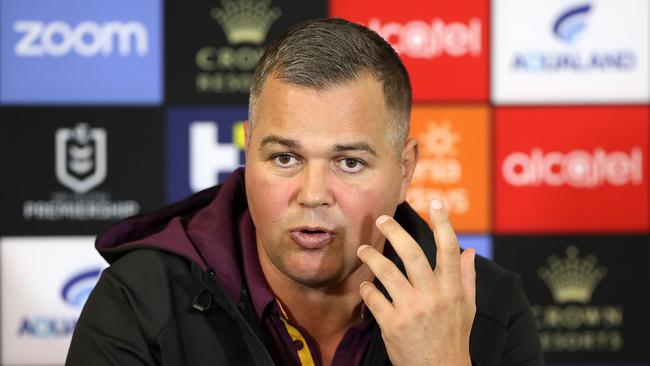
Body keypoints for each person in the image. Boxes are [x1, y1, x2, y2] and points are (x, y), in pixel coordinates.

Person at [66, 18, 543, 366]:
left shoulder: (487, 305)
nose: (313, 194)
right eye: (285, 158)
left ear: (404, 169)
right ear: (248, 150)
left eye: (349, 162)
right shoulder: (140, 299)